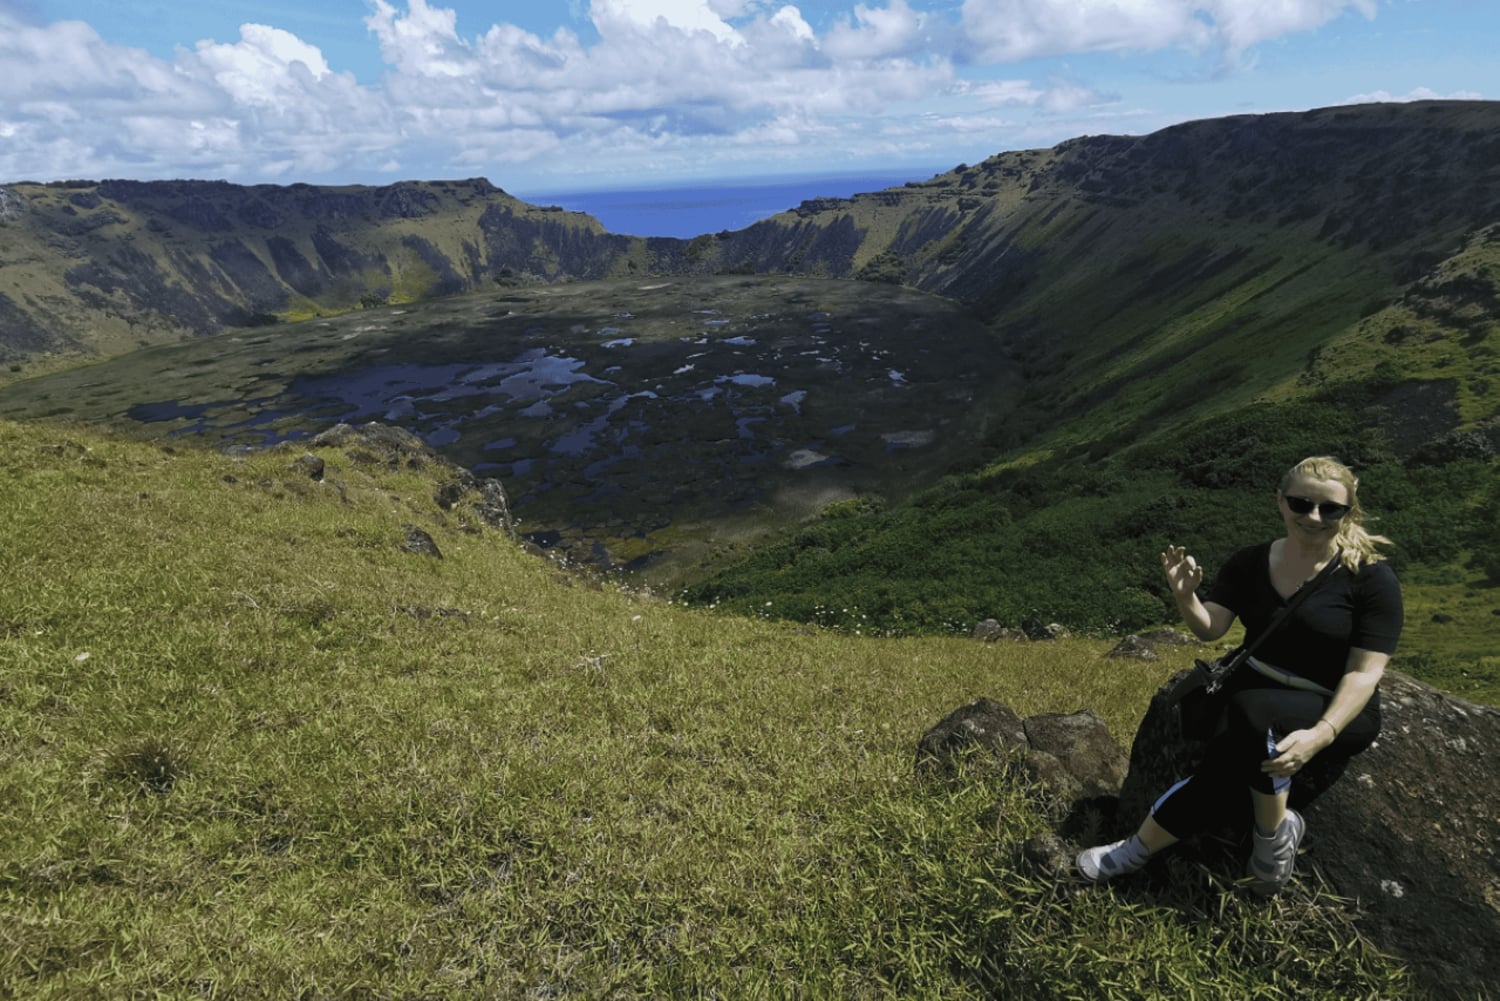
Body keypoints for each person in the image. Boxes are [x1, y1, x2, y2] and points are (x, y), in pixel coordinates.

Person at [1077, 455, 1404, 896]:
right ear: (1280, 501)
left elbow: (1364, 674)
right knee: (1227, 762)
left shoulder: (1371, 579)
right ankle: (1269, 831)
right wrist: (1186, 598)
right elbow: (1212, 628)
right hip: (1257, 684)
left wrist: (1321, 735)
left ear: (1349, 511)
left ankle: (1184, 846)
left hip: (1330, 702)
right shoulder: (1251, 562)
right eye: (1301, 504)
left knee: (1250, 715)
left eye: (1330, 509)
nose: (1313, 517)